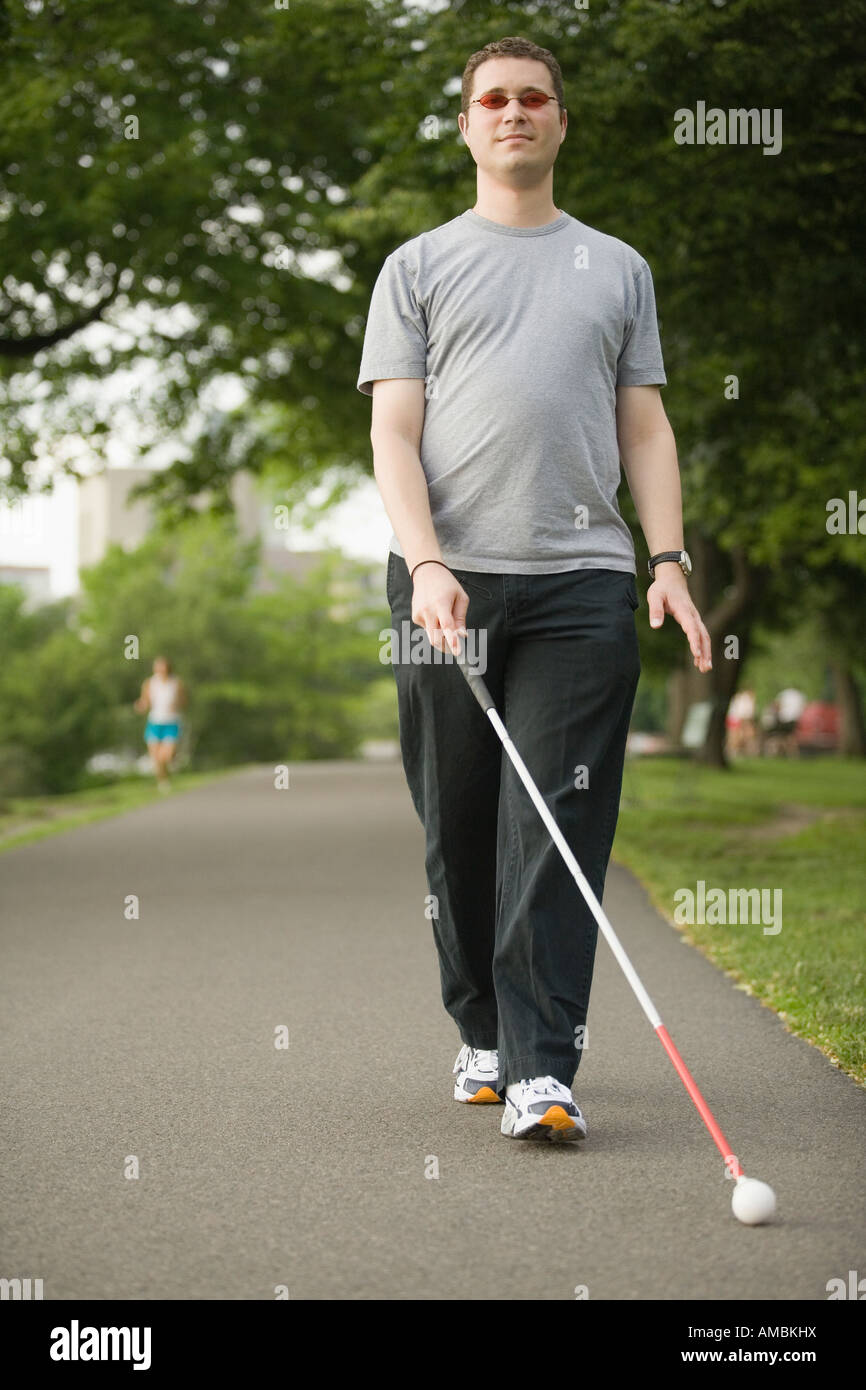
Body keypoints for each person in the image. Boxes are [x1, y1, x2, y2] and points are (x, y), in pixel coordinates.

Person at [357, 36, 711, 1142]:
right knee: (457, 825)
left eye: (533, 98)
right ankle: (480, 1028)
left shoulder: (614, 267)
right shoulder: (415, 266)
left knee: (554, 819)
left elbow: (643, 427)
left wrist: (666, 562)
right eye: (491, 99)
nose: (513, 112)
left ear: (560, 122)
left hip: (583, 585)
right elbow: (393, 430)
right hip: (445, 584)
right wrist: (425, 563)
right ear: (465, 125)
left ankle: (541, 1065)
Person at [133, 656, 187, 792]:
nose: (159, 669)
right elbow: (145, 701)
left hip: (172, 722)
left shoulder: (176, 682)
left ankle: (170, 766)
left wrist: (177, 704)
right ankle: (163, 782)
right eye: (157, 666)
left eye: (161, 666)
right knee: (156, 758)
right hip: (155, 722)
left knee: (166, 756)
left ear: (167, 667)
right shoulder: (149, 683)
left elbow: (183, 701)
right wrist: (141, 706)